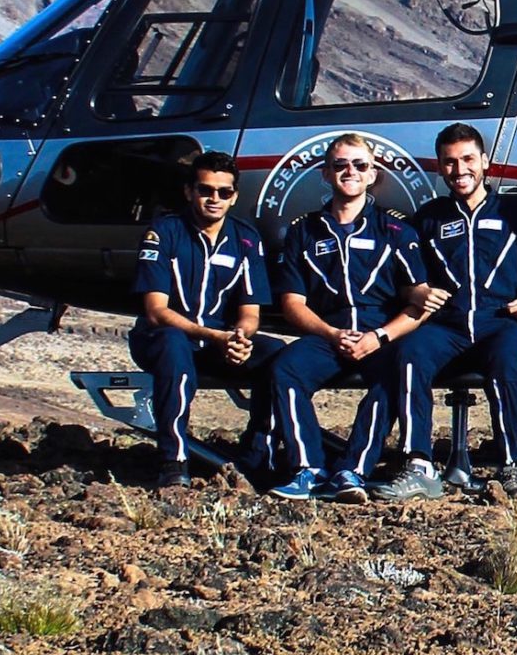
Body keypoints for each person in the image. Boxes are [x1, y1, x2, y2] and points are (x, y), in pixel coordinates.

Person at [379, 123, 517, 501]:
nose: (460, 170)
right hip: (448, 325)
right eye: (450, 162)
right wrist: (416, 291)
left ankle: (510, 465)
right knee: (409, 354)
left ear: (485, 162)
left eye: (468, 159)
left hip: (500, 321)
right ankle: (419, 465)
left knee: (509, 360)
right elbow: (405, 278)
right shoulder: (428, 219)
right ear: (440, 167)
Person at [262, 133, 430, 503]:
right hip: (328, 332)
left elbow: (418, 304)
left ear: (372, 174)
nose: (350, 171)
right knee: (286, 368)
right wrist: (330, 333)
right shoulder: (304, 231)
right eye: (340, 165)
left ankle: (353, 470)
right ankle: (307, 469)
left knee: (398, 372)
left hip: (379, 332)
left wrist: (379, 336)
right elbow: (292, 302)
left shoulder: (396, 231)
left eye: (359, 165)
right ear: (326, 174)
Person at [128, 150, 284, 490]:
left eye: (224, 192)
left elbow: (250, 312)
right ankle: (173, 459)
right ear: (189, 191)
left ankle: (259, 454)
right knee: (173, 344)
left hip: (217, 342)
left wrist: (239, 338)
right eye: (206, 190)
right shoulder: (164, 232)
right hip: (163, 339)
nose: (215, 199)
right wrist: (215, 336)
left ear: (234, 196)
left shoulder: (245, 240)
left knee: (278, 355)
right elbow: (156, 310)